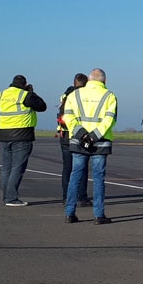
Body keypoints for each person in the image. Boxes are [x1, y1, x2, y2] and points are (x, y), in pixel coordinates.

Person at [63, 68, 117, 225]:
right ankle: (98, 215)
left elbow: (68, 117)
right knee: (98, 178)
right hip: (100, 142)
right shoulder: (109, 96)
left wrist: (81, 134)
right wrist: (94, 136)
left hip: (78, 141)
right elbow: (110, 120)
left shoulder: (74, 95)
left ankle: (69, 213)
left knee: (75, 176)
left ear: (89, 79)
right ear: (105, 81)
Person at [0, 74, 47, 206]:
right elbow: (42, 106)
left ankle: (6, 196)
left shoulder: (3, 94)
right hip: (22, 134)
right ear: (25, 85)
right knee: (17, 168)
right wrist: (31, 93)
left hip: (4, 134)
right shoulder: (25, 95)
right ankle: (11, 198)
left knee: (6, 168)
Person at [57, 73, 92, 207]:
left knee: (67, 168)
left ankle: (66, 197)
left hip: (65, 136)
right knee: (81, 168)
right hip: (80, 136)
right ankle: (82, 197)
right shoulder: (85, 97)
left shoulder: (66, 96)